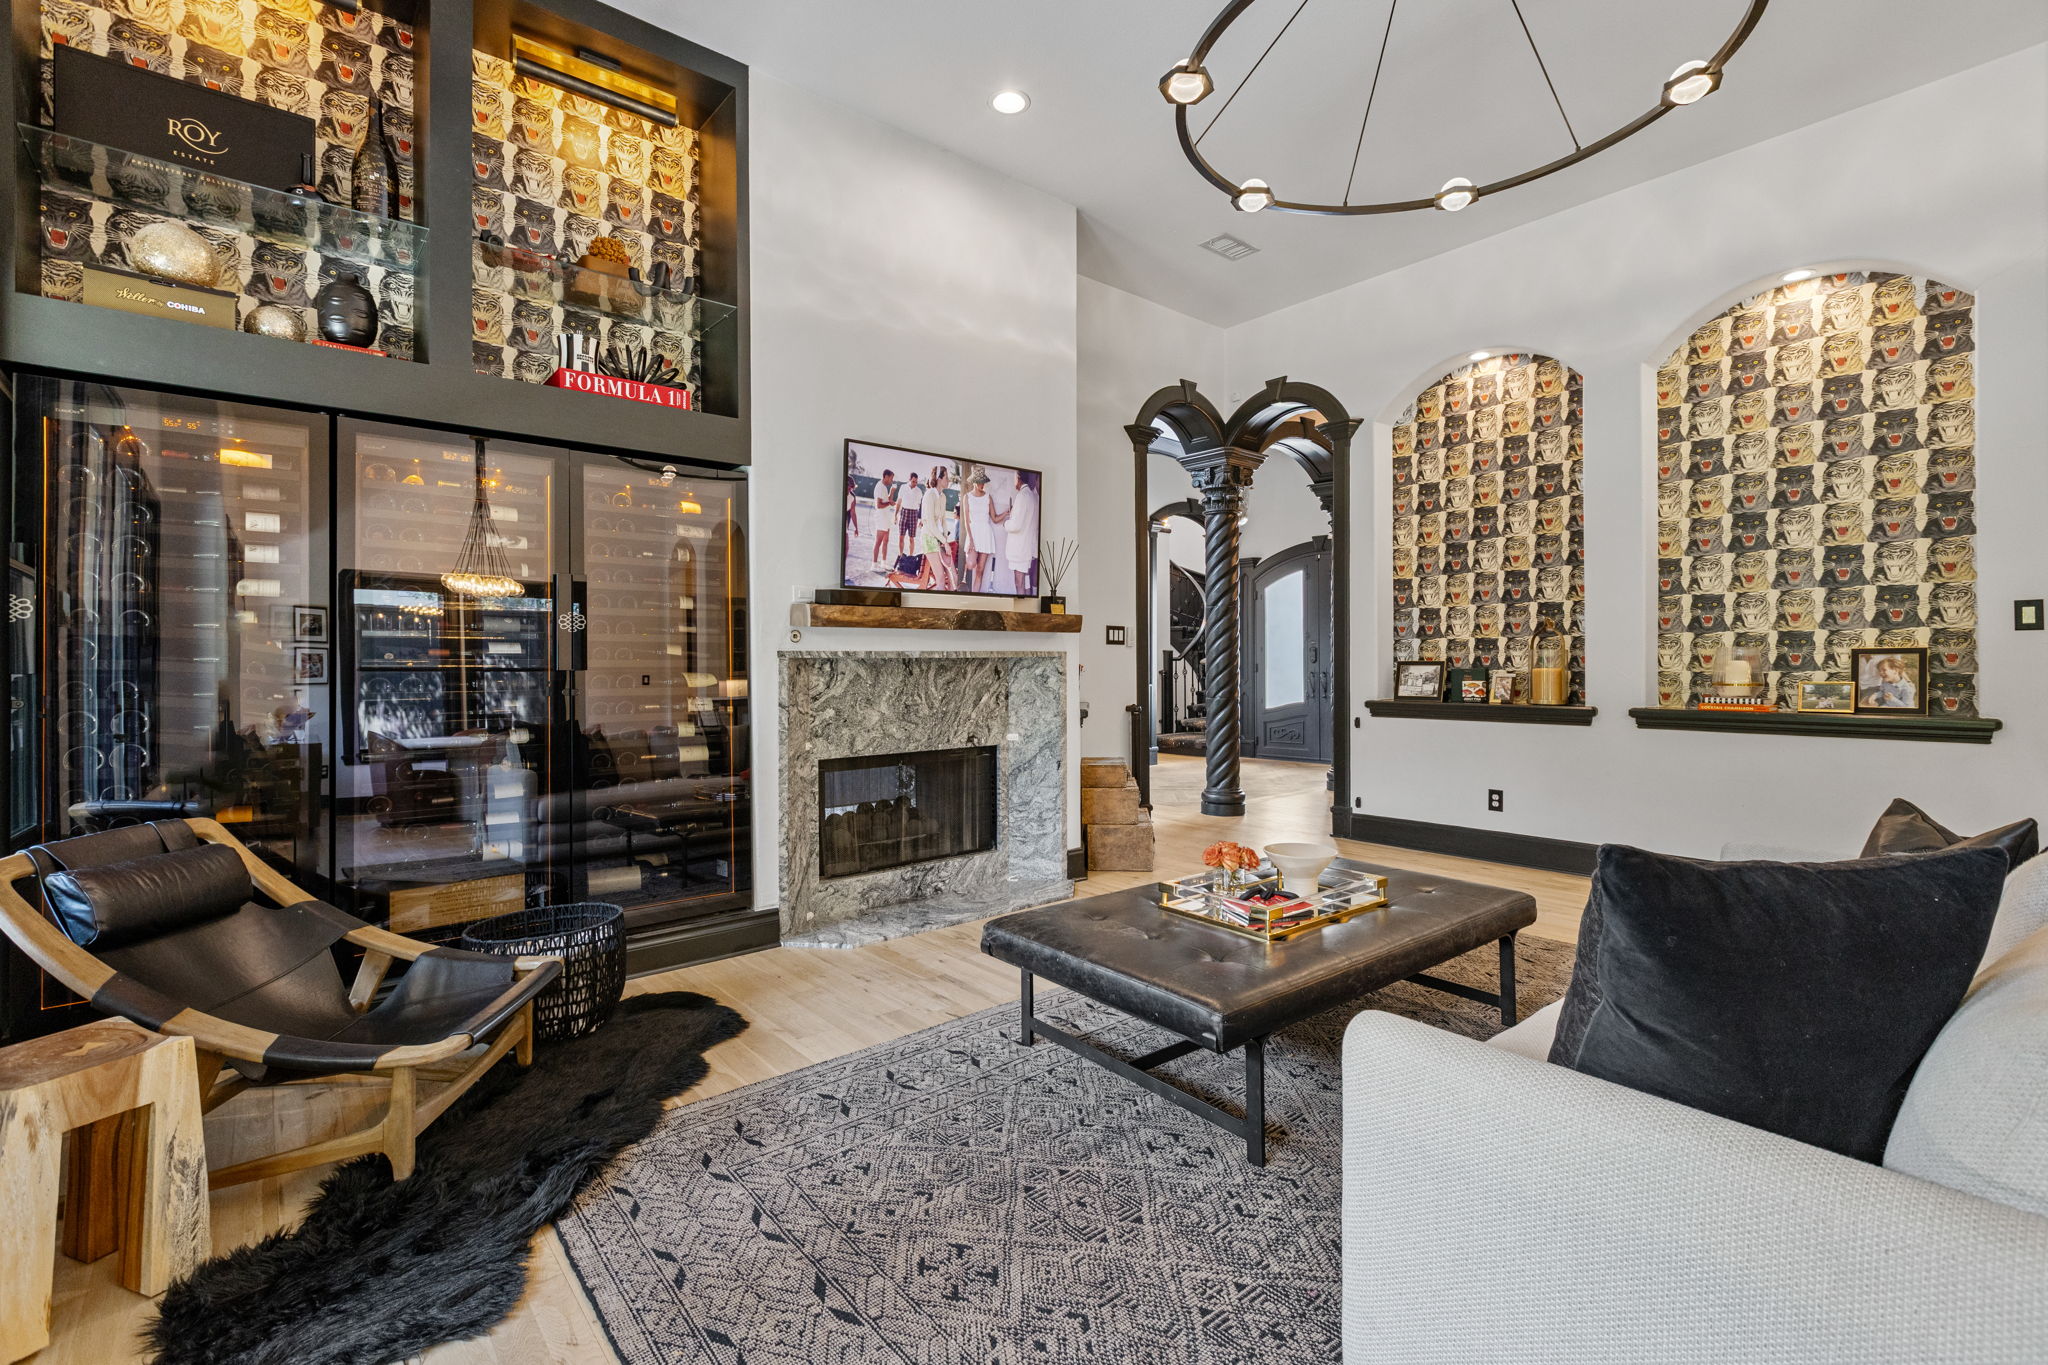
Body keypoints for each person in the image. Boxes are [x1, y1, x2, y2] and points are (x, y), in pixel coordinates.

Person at [993, 470, 1038, 594]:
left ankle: (1022, 611)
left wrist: (1005, 523)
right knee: (1023, 582)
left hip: (1019, 549)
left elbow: (1016, 525)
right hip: (1024, 546)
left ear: (1018, 478)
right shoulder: (1030, 495)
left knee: (1019, 583)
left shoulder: (1023, 496)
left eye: (1014, 478)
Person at [917, 466, 956, 590]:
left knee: (953, 575)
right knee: (940, 579)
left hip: (939, 539)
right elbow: (930, 525)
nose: (948, 480)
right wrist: (945, 542)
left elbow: (943, 520)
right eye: (946, 477)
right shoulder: (929, 495)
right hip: (928, 538)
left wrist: (945, 539)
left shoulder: (943, 496)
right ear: (939, 478)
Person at [960, 467, 997, 591]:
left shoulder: (988, 497)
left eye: (983, 482)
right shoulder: (967, 497)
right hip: (973, 533)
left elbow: (995, 518)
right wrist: (970, 539)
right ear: (974, 482)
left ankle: (975, 595)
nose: (982, 485)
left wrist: (1007, 513)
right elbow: (966, 520)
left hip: (986, 533)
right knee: (971, 564)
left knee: (980, 570)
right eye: (980, 482)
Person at [870, 467, 900, 566]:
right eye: (891, 478)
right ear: (886, 476)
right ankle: (873, 565)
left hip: (886, 518)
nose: (892, 481)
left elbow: (886, 500)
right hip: (881, 518)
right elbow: (878, 505)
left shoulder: (883, 487)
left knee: (886, 541)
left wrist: (892, 492)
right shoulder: (880, 487)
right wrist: (889, 503)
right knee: (878, 541)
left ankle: (883, 563)